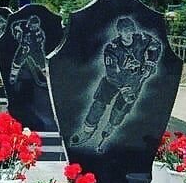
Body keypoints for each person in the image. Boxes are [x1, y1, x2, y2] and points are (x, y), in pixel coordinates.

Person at [69, 17, 161, 151]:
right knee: (99, 104)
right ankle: (87, 130)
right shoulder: (112, 48)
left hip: (134, 81)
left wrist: (150, 62)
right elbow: (111, 72)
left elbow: (156, 45)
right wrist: (123, 87)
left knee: (121, 109)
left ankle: (109, 128)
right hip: (113, 81)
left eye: (130, 30)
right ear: (119, 32)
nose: (129, 34)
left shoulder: (141, 39)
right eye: (125, 31)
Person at [9, 15, 47, 87]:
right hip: (24, 48)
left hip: (36, 50)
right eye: (33, 26)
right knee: (17, 62)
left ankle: (48, 78)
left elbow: (41, 41)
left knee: (43, 64)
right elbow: (14, 25)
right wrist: (17, 33)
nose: (34, 27)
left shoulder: (39, 32)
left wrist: (33, 48)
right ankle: (12, 78)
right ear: (29, 24)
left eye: (36, 26)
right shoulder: (23, 25)